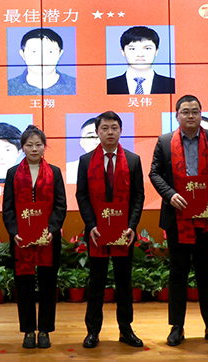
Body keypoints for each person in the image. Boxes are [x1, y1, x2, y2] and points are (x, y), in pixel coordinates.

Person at [148, 94, 208, 346]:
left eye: (195, 111)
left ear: (201, 114)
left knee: (206, 272)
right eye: (185, 111)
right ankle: (177, 327)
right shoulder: (165, 141)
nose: (190, 116)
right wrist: (170, 195)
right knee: (178, 272)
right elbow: (154, 173)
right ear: (177, 116)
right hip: (177, 216)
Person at [76, 111, 145, 349]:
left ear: (120, 131)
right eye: (104, 128)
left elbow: (138, 196)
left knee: (124, 283)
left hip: (123, 233)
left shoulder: (133, 160)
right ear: (97, 132)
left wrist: (132, 226)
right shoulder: (86, 161)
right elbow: (81, 195)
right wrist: (91, 225)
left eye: (114, 128)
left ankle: (126, 330)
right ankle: (92, 332)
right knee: (96, 283)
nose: (109, 132)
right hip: (96, 232)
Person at [2, 125, 67, 349]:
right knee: (24, 284)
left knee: (48, 284)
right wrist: (14, 232)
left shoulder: (54, 172)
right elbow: (8, 208)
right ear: (23, 147)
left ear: (44, 147)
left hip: (48, 238)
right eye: (29, 145)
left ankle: (45, 330)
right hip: (21, 239)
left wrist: (51, 230)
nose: (34, 149)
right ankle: (29, 330)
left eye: (38, 144)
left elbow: (60, 206)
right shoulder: (12, 173)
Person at [107, 26, 175, 95]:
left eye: (147, 48)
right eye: (132, 49)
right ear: (123, 52)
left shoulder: (173, 85)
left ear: (156, 51)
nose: (140, 54)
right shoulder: (107, 85)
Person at [8, 28, 77, 96]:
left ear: (60, 54)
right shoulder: (8, 88)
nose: (42, 58)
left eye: (50, 51)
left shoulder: (76, 85)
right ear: (22, 54)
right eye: (34, 51)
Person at [66, 117, 100, 184]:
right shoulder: (69, 169)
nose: (98, 142)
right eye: (92, 137)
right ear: (81, 142)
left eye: (101, 136)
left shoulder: (119, 165)